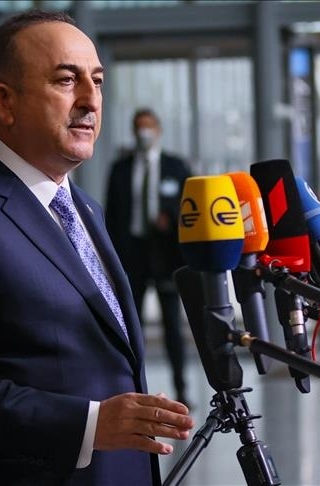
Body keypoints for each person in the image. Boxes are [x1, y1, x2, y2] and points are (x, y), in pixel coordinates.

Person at [0, 10, 193, 485]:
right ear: (4, 102)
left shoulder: (84, 208)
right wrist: (87, 425)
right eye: (66, 80)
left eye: (97, 81)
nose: (90, 100)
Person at [105, 109, 192, 406]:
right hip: (132, 256)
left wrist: (171, 217)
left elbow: (189, 208)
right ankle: (135, 389)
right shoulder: (120, 169)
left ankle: (181, 388)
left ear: (158, 130)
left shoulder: (175, 167)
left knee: (172, 326)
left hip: (165, 256)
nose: (144, 133)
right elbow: (111, 216)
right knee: (131, 327)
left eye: (149, 127)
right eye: (139, 127)